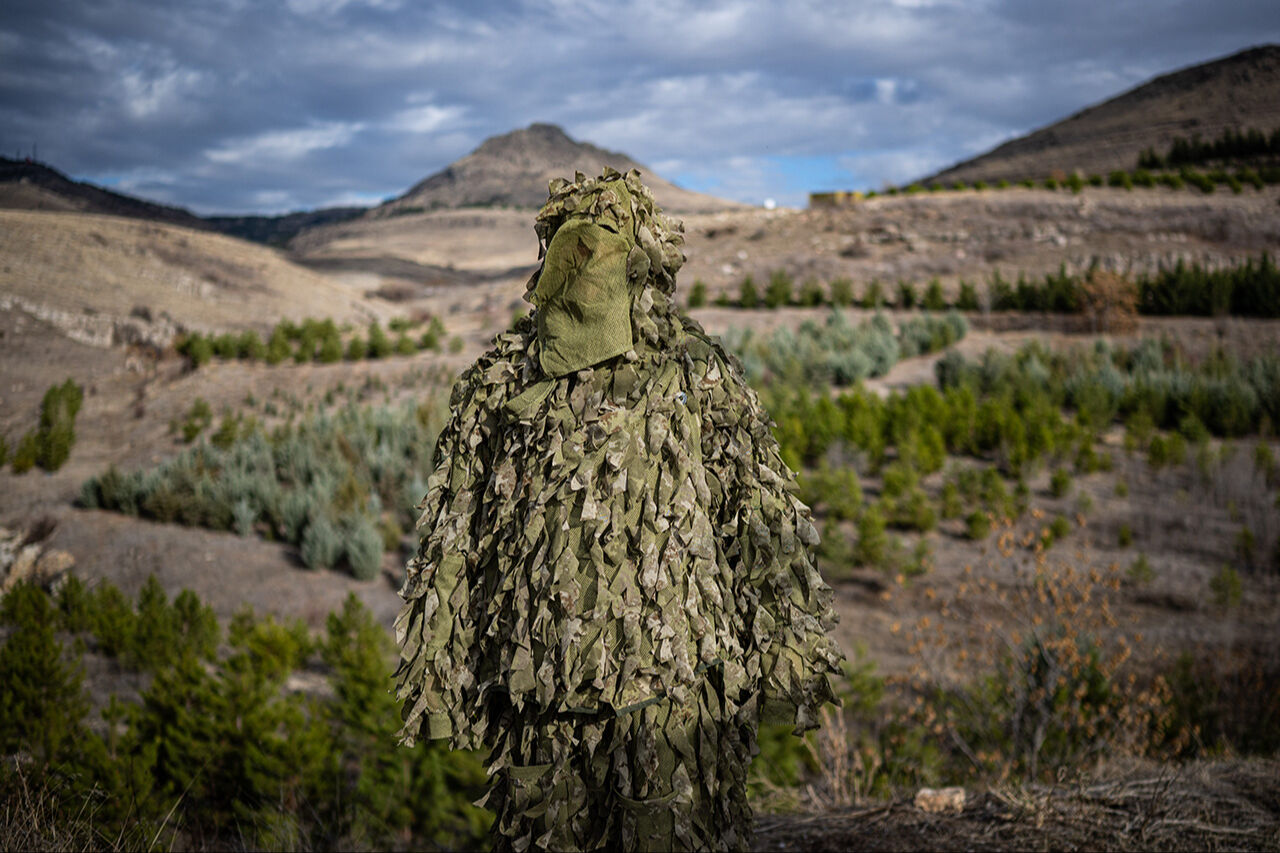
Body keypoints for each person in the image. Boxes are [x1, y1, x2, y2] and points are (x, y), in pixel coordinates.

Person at [394, 167, 844, 852]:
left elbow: (758, 518)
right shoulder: (503, 380)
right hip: (547, 704)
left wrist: (790, 659)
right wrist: (437, 680)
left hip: (664, 705)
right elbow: (454, 535)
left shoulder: (689, 369)